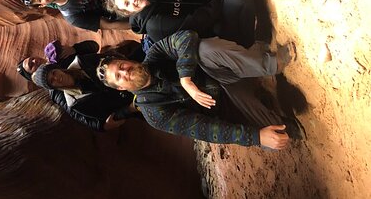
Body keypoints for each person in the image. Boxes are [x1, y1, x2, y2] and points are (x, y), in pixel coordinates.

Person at [96, 30, 295, 149]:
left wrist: (186, 78)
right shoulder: (153, 111)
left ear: (126, 60)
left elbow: (186, 37)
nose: (125, 71)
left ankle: (272, 64)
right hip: (230, 108)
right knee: (279, 134)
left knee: (203, 49)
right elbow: (206, 130)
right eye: (119, 77)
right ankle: (263, 105)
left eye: (121, 66)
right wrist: (256, 137)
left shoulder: (156, 54)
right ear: (121, 87)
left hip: (226, 77)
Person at [105, 0, 257, 47]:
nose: (133, 0)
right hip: (214, 32)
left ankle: (245, 4)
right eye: (127, 4)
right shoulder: (155, 25)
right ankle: (252, 37)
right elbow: (199, 21)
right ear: (128, 12)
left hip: (213, 11)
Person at [30, 52, 141, 131]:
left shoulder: (82, 62)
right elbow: (100, 116)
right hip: (133, 103)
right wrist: (130, 109)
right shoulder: (75, 102)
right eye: (52, 81)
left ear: (57, 68)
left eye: (53, 73)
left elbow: (109, 59)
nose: (56, 77)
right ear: (53, 87)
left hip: (131, 76)